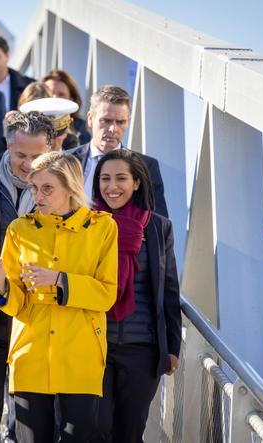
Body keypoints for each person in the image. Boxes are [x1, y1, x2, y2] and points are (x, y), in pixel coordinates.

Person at [0, 152, 118, 442]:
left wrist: (60, 280)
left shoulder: (103, 228)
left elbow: (105, 294)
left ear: (71, 187)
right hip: (31, 352)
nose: (37, 195)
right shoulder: (19, 230)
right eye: (34, 188)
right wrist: (2, 285)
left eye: (47, 188)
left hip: (81, 354)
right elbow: (18, 305)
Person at [0, 111, 55, 443]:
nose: (29, 164)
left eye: (38, 156)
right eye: (21, 155)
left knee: (28, 413)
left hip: (35, 315)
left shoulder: (60, 193)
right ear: (7, 145)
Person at [91, 149, 181, 442]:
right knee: (97, 428)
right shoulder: (86, 224)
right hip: (93, 344)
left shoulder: (157, 227)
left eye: (120, 178)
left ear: (137, 183)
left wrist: (172, 348)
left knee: (130, 432)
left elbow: (169, 289)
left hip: (142, 348)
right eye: (105, 179)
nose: (112, 186)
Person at [66, 85, 169, 218]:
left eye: (120, 122)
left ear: (128, 122)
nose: (113, 129)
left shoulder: (146, 166)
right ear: (90, 119)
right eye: (106, 121)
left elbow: (159, 226)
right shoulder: (65, 160)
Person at [41, 70, 91, 145]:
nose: (54, 98)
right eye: (49, 93)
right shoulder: (26, 128)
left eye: (61, 94)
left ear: (71, 99)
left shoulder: (82, 135)